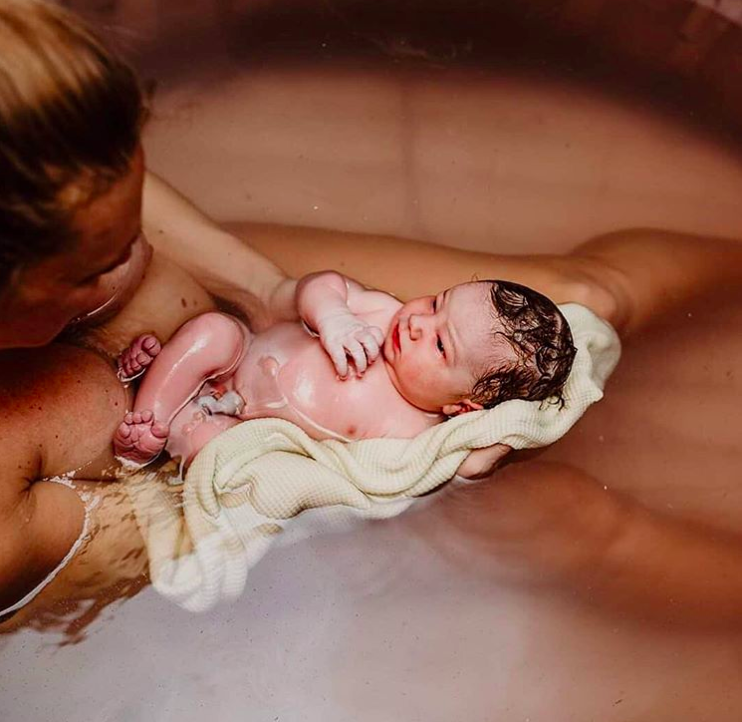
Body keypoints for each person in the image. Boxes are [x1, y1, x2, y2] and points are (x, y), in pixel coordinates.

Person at [2, 0, 742, 630]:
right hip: (198, 460)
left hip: (262, 319)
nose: (138, 260)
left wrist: (280, 295)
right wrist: (402, 480)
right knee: (571, 517)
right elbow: (202, 523)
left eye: (135, 221)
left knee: (589, 302)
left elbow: (229, 268)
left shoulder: (26, 103)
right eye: (101, 264)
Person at [112, 272, 575, 469]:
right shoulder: (379, 311)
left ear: (461, 406)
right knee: (214, 331)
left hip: (241, 425)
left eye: (438, 343)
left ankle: (159, 439)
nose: (416, 323)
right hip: (237, 357)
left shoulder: (411, 430)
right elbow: (319, 285)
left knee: (215, 447)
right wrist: (333, 317)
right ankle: (150, 411)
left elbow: (447, 468)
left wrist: (493, 449)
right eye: (437, 302)